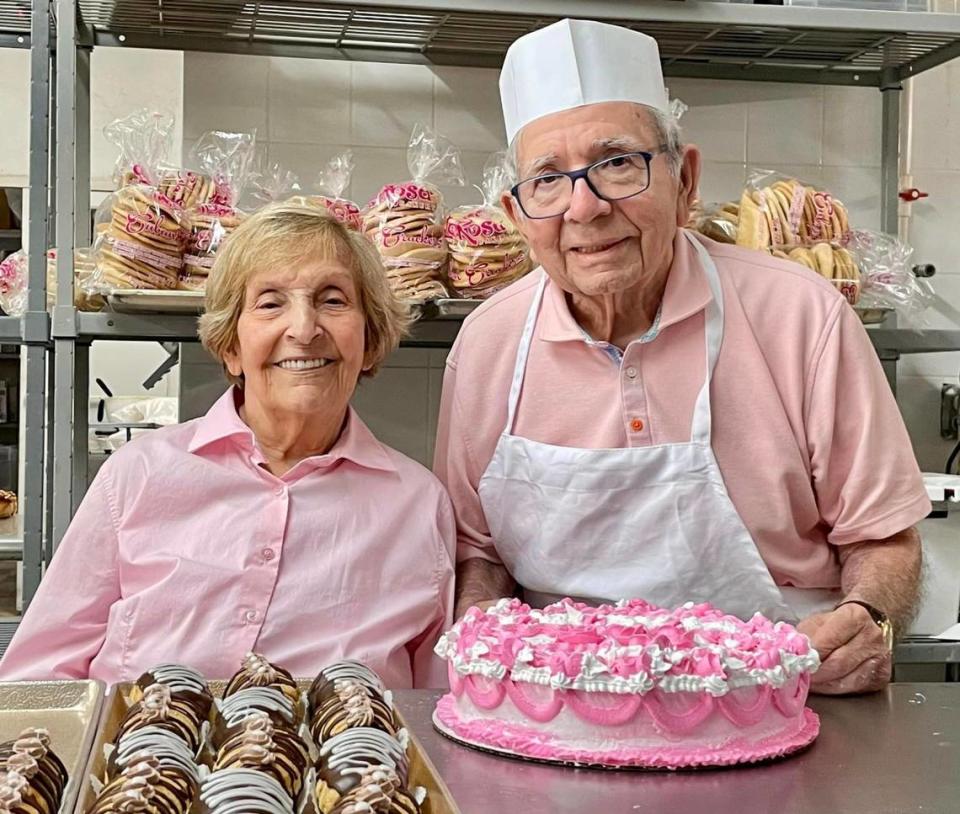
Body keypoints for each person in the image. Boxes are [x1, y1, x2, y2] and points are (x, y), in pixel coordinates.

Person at [433, 19, 929, 695]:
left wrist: (867, 618)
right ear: (518, 214)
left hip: (781, 695)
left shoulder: (801, 316)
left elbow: (883, 539)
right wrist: (481, 626)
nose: (585, 209)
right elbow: (477, 552)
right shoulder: (489, 343)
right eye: (547, 180)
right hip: (565, 706)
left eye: (616, 164)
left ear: (684, 178)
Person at [0, 202, 455, 688]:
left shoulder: (419, 506)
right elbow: (38, 678)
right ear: (231, 346)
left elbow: (435, 714)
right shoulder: (137, 476)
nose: (303, 330)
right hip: (133, 759)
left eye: (333, 300)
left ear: (369, 337)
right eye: (270, 303)